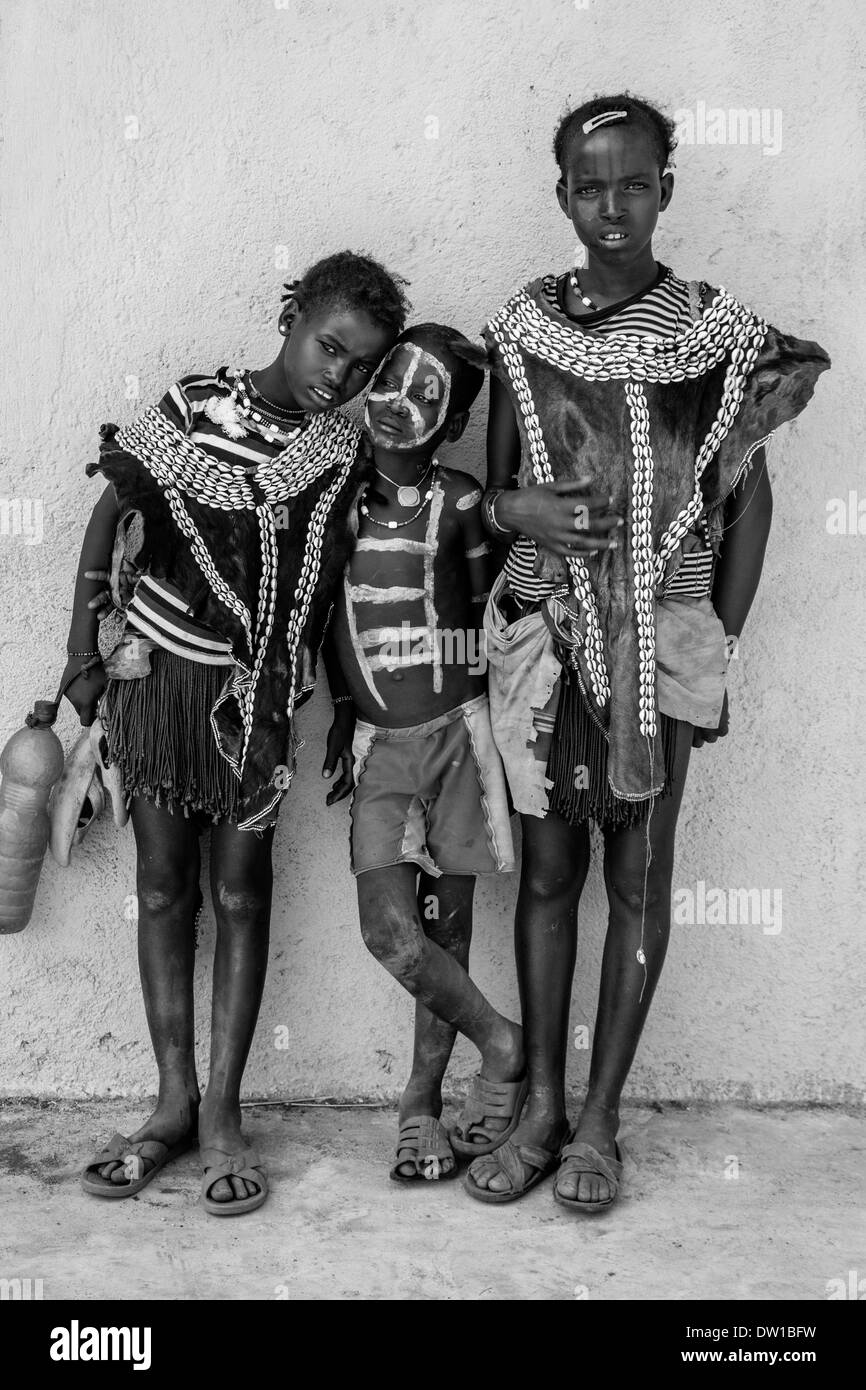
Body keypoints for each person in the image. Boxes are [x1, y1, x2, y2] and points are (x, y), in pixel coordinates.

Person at [462, 95, 830, 1208]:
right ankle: (539, 1113)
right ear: (559, 194)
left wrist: (714, 636)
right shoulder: (522, 327)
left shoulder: (715, 333)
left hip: (662, 637)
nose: (609, 206)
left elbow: (744, 497)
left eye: (632, 184)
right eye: (588, 185)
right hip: (544, 635)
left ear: (665, 190)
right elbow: (493, 491)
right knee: (547, 873)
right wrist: (514, 521)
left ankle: (601, 1122)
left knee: (635, 871)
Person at [66, 251, 408, 1215]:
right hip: (160, 690)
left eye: (359, 367)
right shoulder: (187, 408)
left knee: (243, 893)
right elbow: (108, 519)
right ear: (291, 315)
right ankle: (169, 1103)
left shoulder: (337, 457)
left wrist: (349, 707)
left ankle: (223, 1112)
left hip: (256, 708)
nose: (336, 375)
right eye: (328, 345)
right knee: (164, 887)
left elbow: (335, 586)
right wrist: (79, 659)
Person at [325, 324, 524, 1182]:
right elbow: (322, 617)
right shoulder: (335, 503)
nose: (398, 404)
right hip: (378, 749)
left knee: (450, 929)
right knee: (390, 932)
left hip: (458, 738)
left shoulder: (464, 503)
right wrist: (340, 709)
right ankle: (504, 1042)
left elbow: (496, 607)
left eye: (426, 395)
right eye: (392, 380)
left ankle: (421, 1103)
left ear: (450, 425)